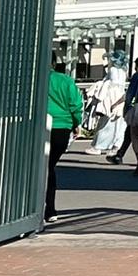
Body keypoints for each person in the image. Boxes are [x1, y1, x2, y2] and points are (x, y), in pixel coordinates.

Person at [45, 57, 83, 224]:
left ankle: (41, 208)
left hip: (40, 126)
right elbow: (75, 105)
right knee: (49, 167)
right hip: (62, 126)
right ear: (54, 63)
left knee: (43, 168)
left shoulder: (36, 80)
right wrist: (76, 123)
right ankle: (50, 209)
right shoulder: (66, 81)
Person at [89, 58, 128, 156]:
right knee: (118, 125)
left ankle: (98, 146)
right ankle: (115, 145)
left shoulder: (113, 70)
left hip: (110, 98)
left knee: (105, 124)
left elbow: (108, 84)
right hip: (120, 98)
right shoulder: (124, 72)